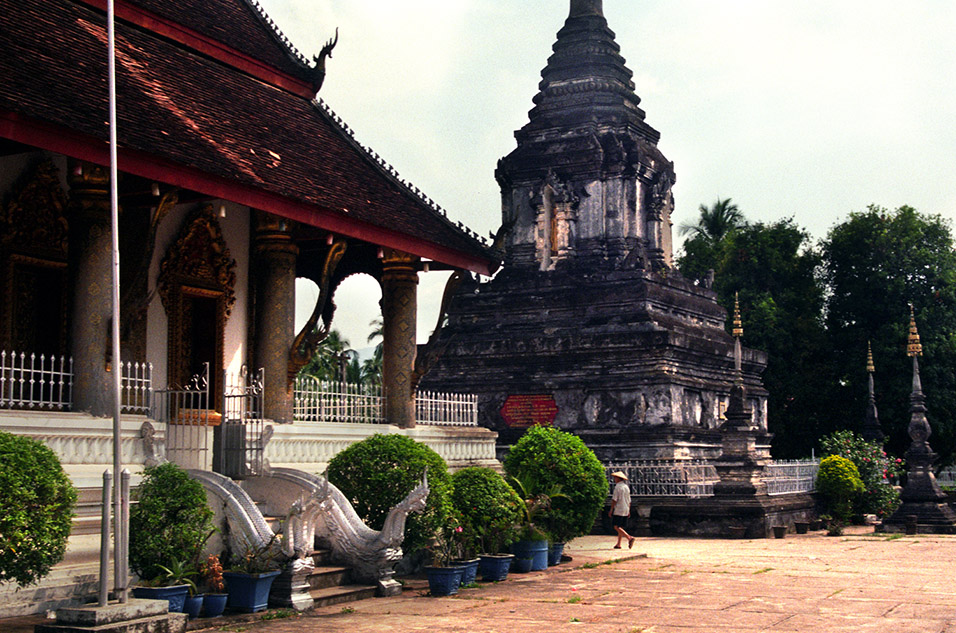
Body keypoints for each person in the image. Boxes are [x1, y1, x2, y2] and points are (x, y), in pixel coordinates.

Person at [608, 471, 635, 549]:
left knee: (616, 526)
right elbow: (629, 500)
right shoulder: (626, 487)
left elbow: (614, 499)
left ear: (618, 478)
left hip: (619, 508)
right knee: (620, 526)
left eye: (615, 478)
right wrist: (629, 509)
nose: (614, 479)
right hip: (626, 507)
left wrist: (611, 509)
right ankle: (618, 544)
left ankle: (629, 537)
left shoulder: (618, 487)